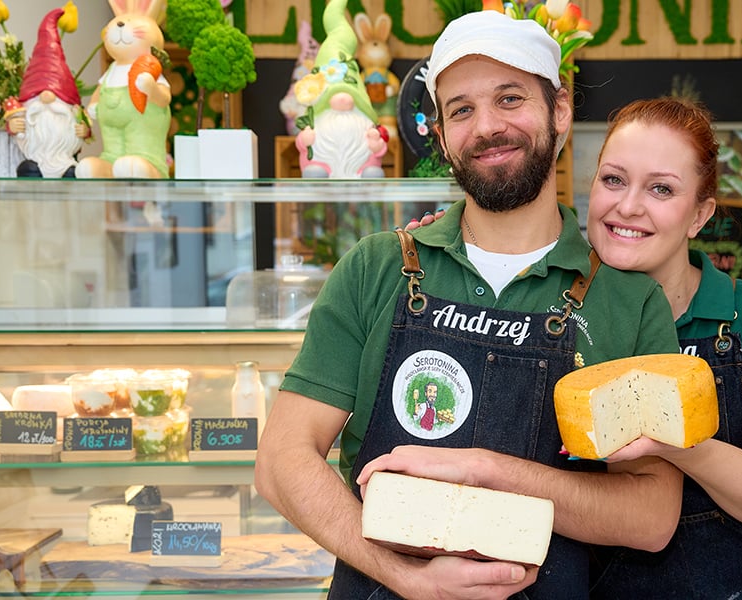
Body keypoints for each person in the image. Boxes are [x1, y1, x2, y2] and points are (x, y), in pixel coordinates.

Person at [254, 11, 684, 600]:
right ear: (440, 133)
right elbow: (282, 461)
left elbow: (652, 515)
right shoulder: (377, 267)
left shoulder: (628, 301)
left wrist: (488, 471)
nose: (487, 127)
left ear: (559, 110)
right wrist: (408, 578)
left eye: (510, 99)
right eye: (461, 110)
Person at [585, 97, 742, 598]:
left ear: (699, 215)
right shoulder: (553, 313)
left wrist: (676, 443)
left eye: (661, 188)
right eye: (613, 179)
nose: (628, 206)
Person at [4, 7, 90, 178]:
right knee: (27, 170)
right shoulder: (27, 115)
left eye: (56, 94)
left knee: (74, 174)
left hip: (65, 162)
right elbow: (13, 124)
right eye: (38, 93)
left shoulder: (72, 115)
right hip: (35, 162)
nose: (46, 97)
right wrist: (12, 126)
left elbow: (85, 128)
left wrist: (85, 130)